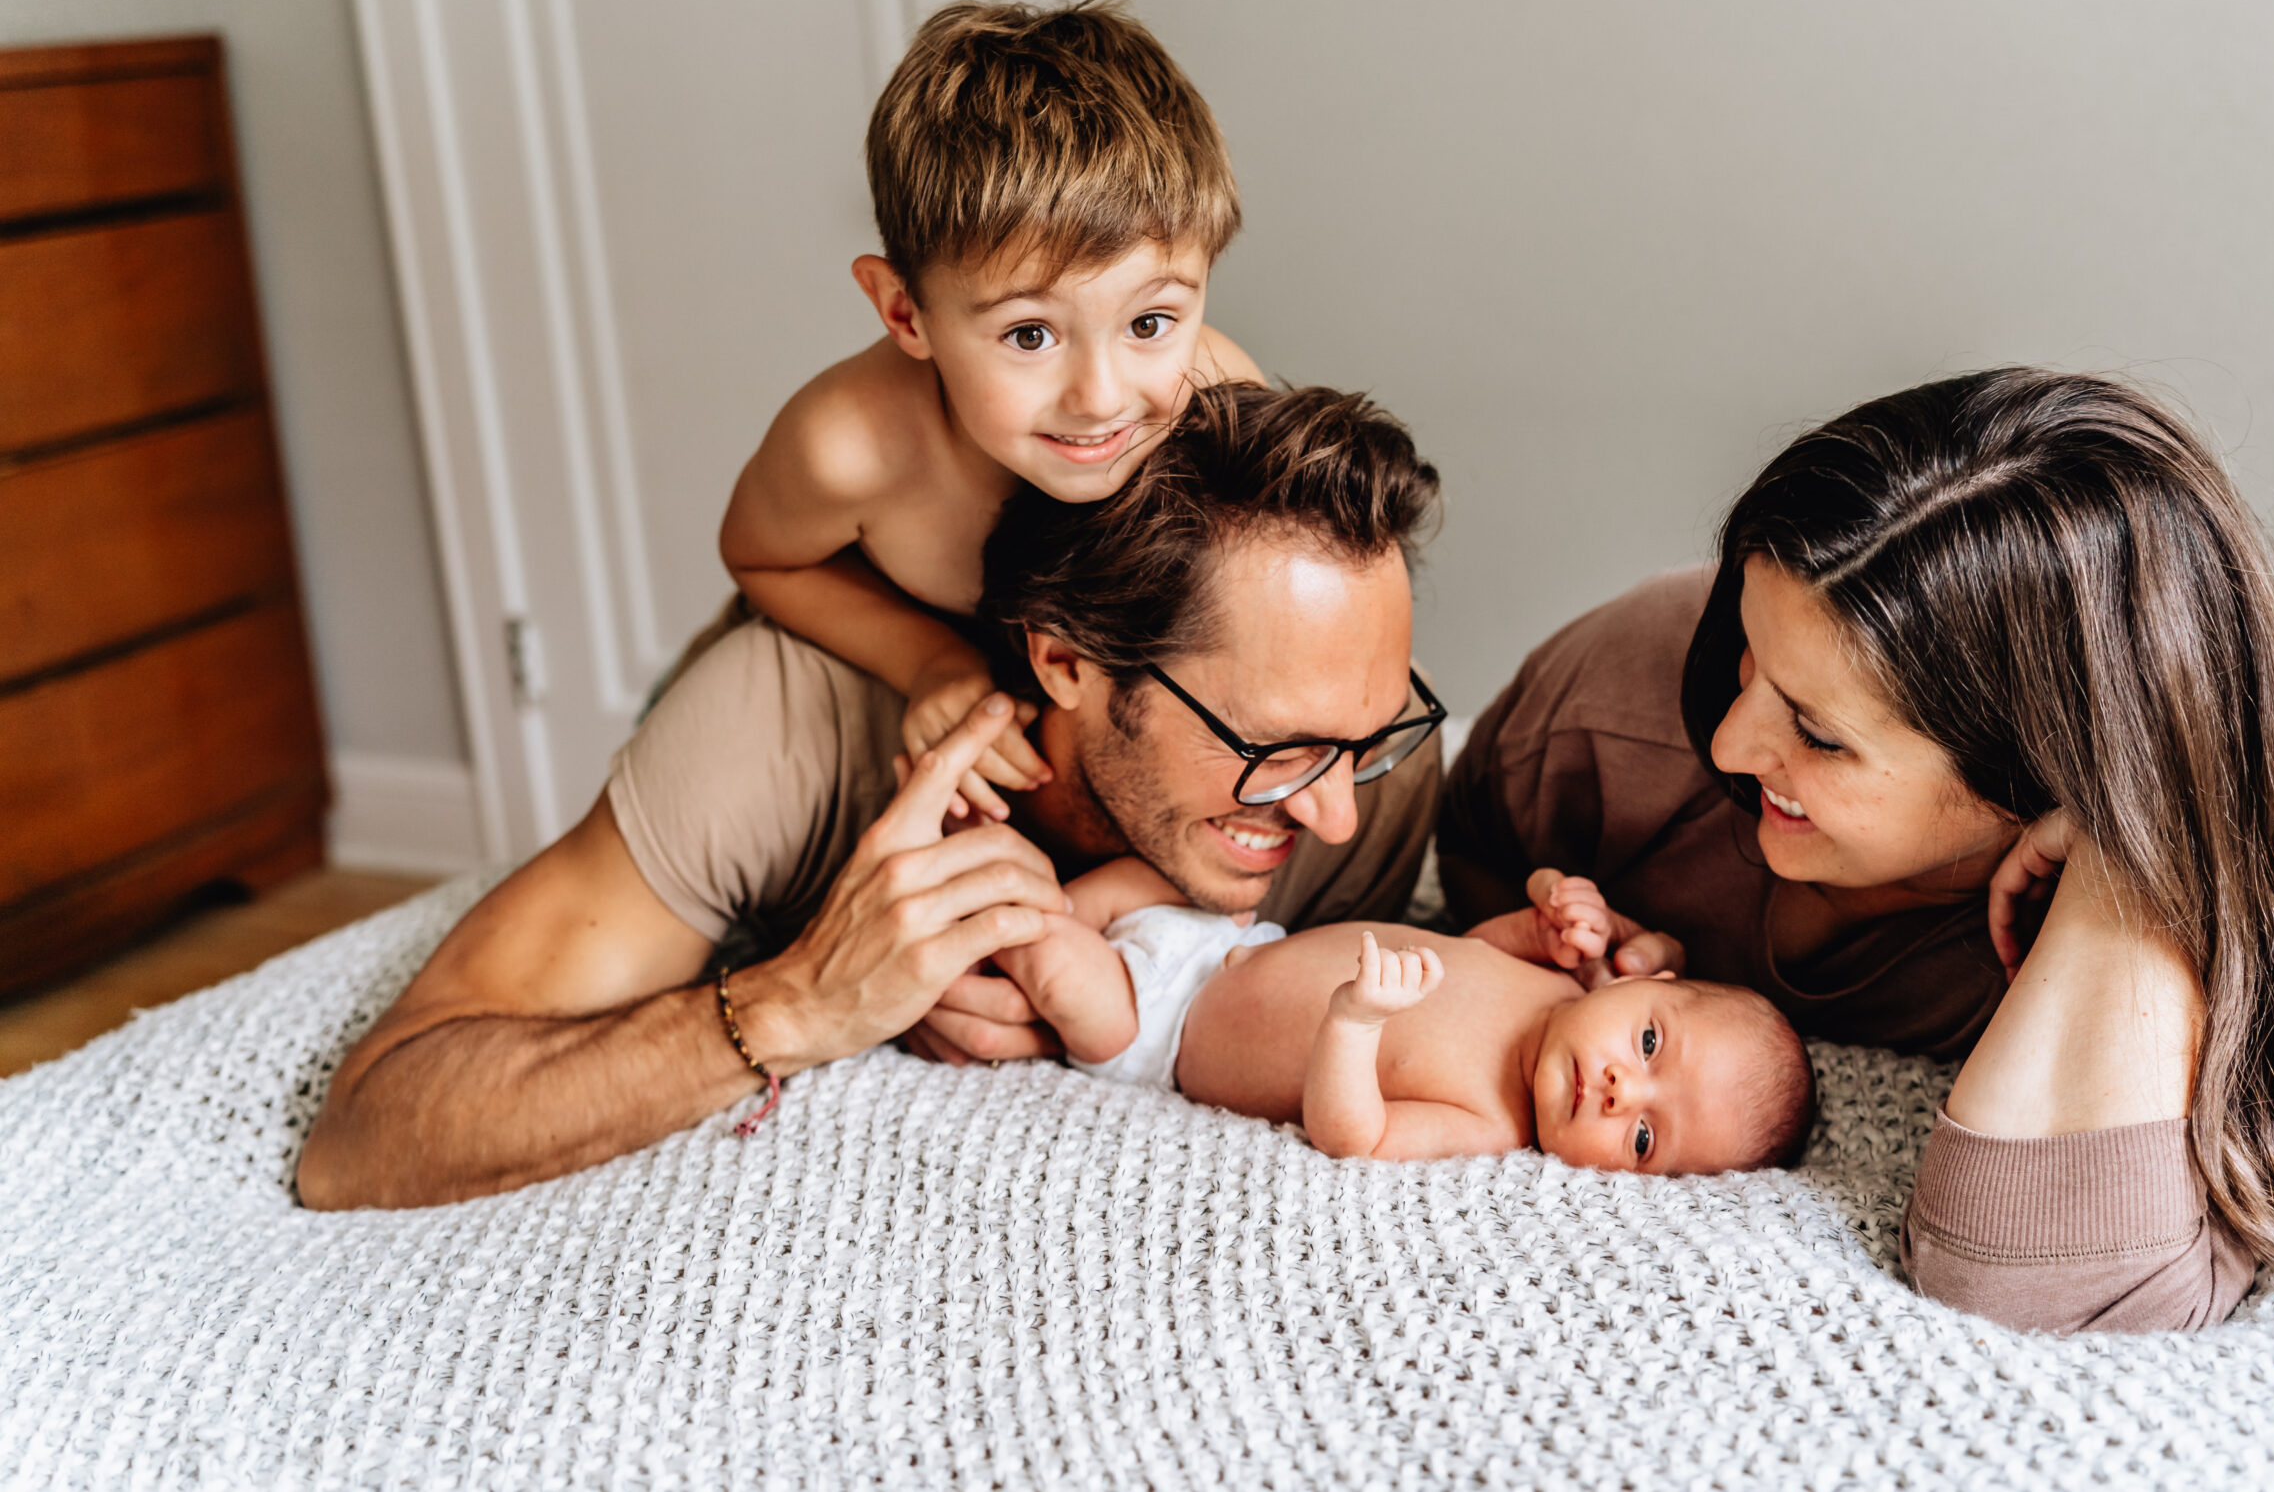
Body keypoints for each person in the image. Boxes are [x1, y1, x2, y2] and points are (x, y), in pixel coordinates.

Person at [1439, 367, 2274, 1332]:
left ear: (2038, 774)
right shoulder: (1606, 723)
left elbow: (2039, 1286)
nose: (1732, 741)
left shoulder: (2164, 928)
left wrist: (2126, 865)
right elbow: (1473, 870)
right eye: (1747, 660)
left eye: (1818, 735)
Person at [297, 384, 1444, 1210]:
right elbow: (366, 1131)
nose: (1334, 815)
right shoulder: (770, 731)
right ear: (1064, 664)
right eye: (1271, 748)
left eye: (1368, 737)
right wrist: (809, 997)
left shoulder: (1375, 791)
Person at [715, 0, 1262, 825]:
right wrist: (931, 662)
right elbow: (761, 559)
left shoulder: (1217, 405)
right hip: (859, 654)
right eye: (1031, 334)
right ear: (906, 313)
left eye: (1149, 323)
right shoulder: (848, 446)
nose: (1103, 396)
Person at [991, 855, 1812, 1173]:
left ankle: (981, 903)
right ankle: (1017, 877)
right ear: (1642, 978)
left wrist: (1353, 1023)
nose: (1616, 1088)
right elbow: (1469, 946)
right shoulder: (1558, 980)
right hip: (1228, 938)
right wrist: (1550, 915)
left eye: (1642, 1137)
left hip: (1161, 1027)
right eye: (1646, 1043)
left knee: (1056, 963)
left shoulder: (1488, 1120)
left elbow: (1356, 1135)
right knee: (1128, 879)